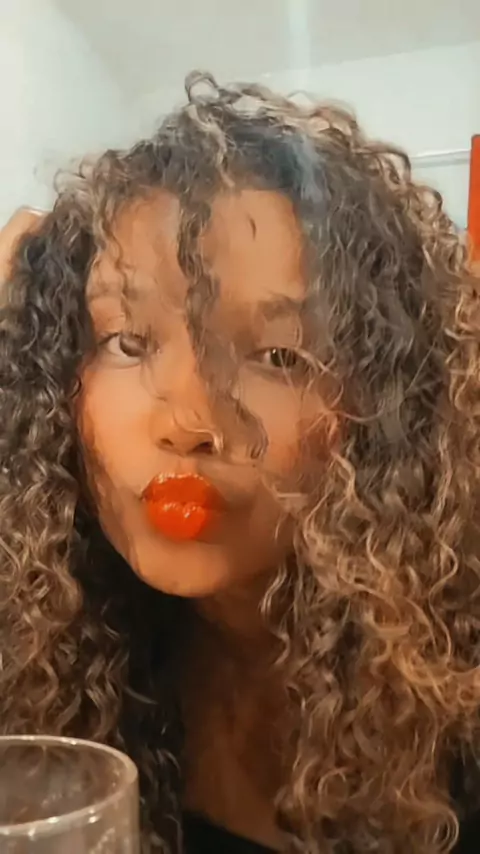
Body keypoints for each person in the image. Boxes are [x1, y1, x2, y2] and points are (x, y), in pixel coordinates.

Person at [1, 73, 480, 854]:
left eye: (279, 356)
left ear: (393, 407)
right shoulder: (47, 639)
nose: (189, 421)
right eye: (128, 341)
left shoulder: (459, 698)